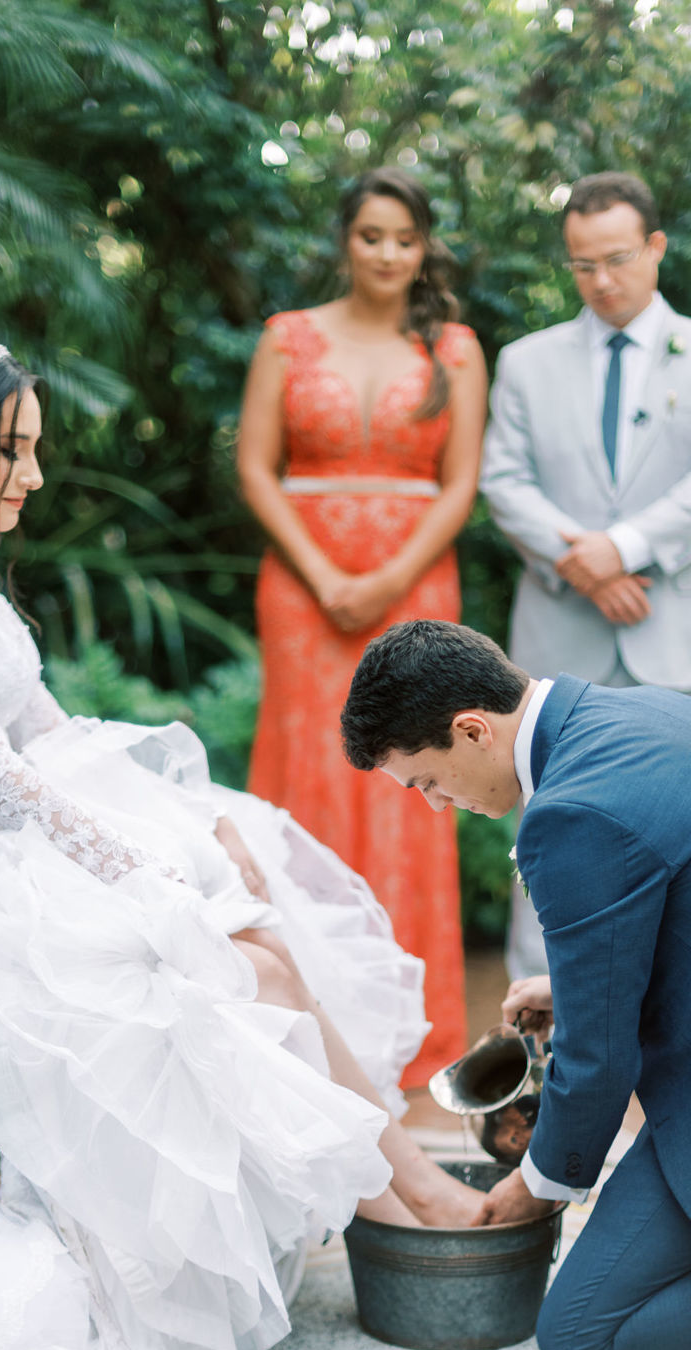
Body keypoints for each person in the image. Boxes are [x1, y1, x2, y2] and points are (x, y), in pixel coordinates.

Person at [0, 325, 483, 1350]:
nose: (36, 477)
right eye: (16, 451)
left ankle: (403, 1183)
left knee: (246, 895)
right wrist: (145, 875)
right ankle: (405, 1186)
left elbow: (48, 738)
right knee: (227, 958)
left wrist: (188, 825)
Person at [341, 619, 691, 1350]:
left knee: (582, 1337)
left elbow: (598, 1059)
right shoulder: (652, 712)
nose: (438, 806)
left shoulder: (572, 812)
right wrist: (576, 988)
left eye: (427, 782)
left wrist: (539, 1181)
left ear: (471, 729)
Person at [478, 172, 691, 976]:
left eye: (616, 259)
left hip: (667, 631)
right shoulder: (527, 362)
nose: (601, 280)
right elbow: (504, 482)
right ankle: (540, 1046)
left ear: (656, 249)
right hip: (557, 632)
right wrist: (589, 568)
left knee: (685, 830)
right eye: (581, 265)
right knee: (545, 825)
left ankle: (686, 1029)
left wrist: (624, 548)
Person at [238, 167, 489, 1088]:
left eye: (405, 239)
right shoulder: (287, 339)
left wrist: (385, 576)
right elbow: (257, 467)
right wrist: (326, 575)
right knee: (311, 772)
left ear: (424, 250)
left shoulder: (455, 348)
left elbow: (460, 482)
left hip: (415, 584)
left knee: (412, 780)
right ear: (346, 239)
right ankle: (305, 1006)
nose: (387, 253)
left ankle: (409, 1024)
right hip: (304, 591)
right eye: (371, 234)